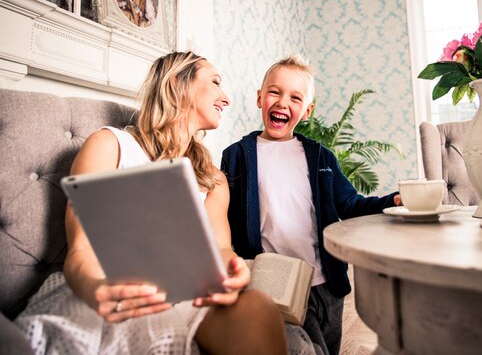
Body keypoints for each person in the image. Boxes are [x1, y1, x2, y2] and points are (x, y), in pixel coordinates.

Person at [14, 51, 288, 355]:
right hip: (105, 290)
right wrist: (96, 290)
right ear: (177, 84)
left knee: (256, 307)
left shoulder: (214, 180)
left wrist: (236, 270)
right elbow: (81, 251)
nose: (226, 98)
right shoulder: (110, 145)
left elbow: (221, 250)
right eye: (215, 82)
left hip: (184, 298)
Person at [221, 55, 402, 355]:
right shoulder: (237, 156)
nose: (282, 102)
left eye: (295, 97)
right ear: (259, 98)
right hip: (274, 283)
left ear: (307, 111)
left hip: (325, 283)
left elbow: (350, 204)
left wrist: (392, 202)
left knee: (327, 347)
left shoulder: (321, 157)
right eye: (275, 92)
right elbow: (224, 219)